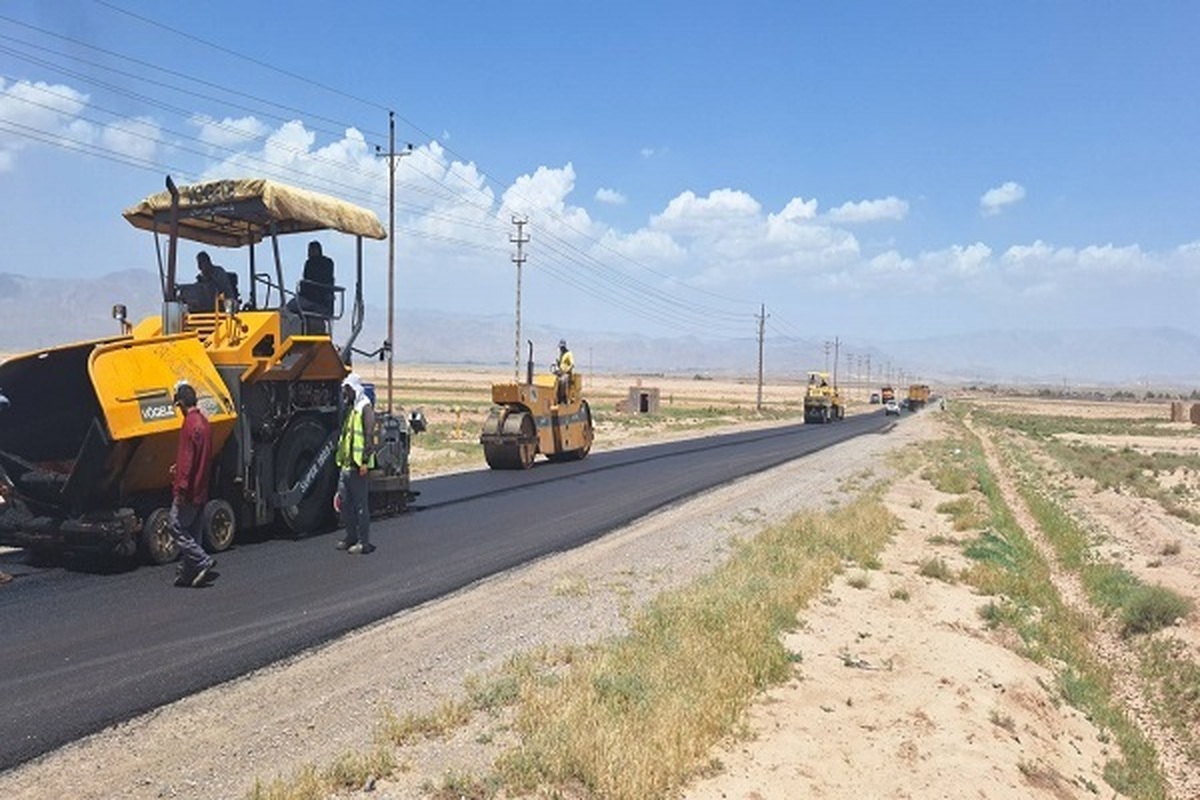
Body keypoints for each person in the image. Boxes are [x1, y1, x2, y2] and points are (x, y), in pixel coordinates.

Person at [169, 382, 217, 587]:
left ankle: (203, 561)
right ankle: (191, 572)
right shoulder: (205, 423)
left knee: (176, 525)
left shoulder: (190, 425)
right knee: (194, 533)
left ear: (181, 403)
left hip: (189, 490)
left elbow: (188, 461)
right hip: (202, 487)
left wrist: (180, 488)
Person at [334, 372, 376, 554]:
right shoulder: (351, 409)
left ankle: (363, 542)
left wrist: (365, 461)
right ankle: (350, 536)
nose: (345, 393)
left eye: (348, 389)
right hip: (346, 466)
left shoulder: (365, 408)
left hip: (359, 467)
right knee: (344, 503)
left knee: (360, 506)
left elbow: (368, 436)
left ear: (355, 389)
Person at [287, 241, 336, 316]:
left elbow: (309, 282)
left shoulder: (312, 263)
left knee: (288, 308)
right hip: (314, 299)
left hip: (314, 300)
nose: (309, 253)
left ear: (317, 250)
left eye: (310, 250)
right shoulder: (327, 263)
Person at [552, 338, 574, 404]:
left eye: (562, 347)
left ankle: (563, 398)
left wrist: (566, 371)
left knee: (562, 381)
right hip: (561, 372)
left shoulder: (569, 354)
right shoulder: (562, 354)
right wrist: (558, 363)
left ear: (564, 347)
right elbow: (561, 364)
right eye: (560, 348)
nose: (560, 349)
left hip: (566, 373)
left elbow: (572, 364)